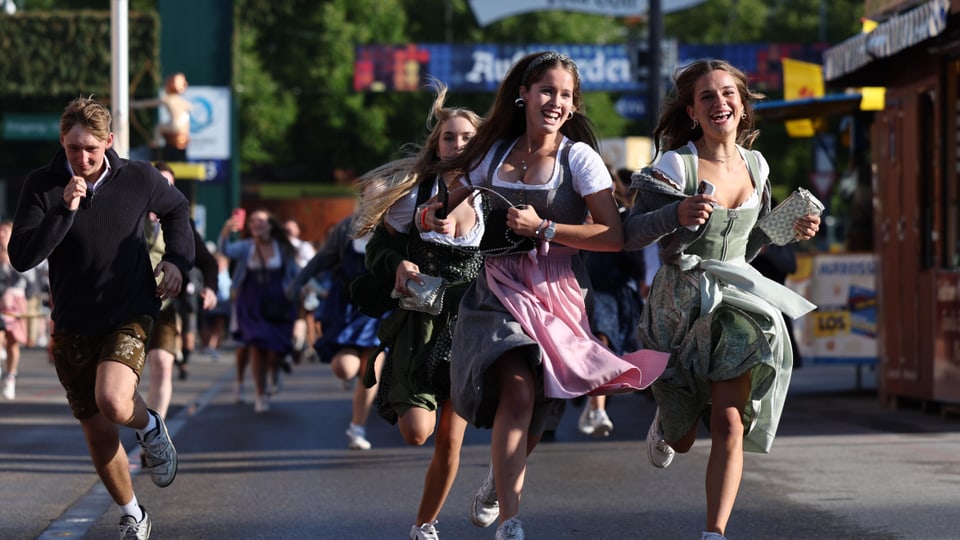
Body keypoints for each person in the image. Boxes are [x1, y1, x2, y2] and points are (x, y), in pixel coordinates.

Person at [433, 51, 669, 540]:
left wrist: (545, 226)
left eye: (565, 95)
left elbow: (611, 235)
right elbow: (446, 205)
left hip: (556, 288)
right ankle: (512, 522)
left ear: (574, 105)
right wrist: (431, 216)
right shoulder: (491, 152)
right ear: (523, 92)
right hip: (497, 287)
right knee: (516, 391)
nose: (555, 102)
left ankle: (497, 484)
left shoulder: (577, 158)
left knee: (538, 407)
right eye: (546, 91)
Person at [622, 59, 821, 540]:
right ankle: (667, 422)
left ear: (743, 105)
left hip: (736, 302)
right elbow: (629, 235)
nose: (720, 103)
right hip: (680, 303)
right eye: (707, 96)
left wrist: (790, 229)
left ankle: (715, 532)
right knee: (684, 438)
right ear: (691, 111)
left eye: (728, 94)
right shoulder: (675, 165)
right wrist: (676, 212)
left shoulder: (758, 164)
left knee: (730, 423)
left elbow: (751, 244)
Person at [8, 96, 194, 539]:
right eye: (74, 148)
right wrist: (63, 209)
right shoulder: (43, 185)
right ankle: (134, 514)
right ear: (62, 142)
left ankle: (150, 425)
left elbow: (177, 209)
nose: (83, 158)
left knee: (113, 400)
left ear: (109, 141)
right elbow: (21, 257)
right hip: (73, 319)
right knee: (96, 429)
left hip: (130, 308)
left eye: (91, 148)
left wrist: (178, 262)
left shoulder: (139, 177)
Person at [350, 80, 483, 540]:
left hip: (470, 323)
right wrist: (397, 264)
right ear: (436, 142)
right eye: (450, 136)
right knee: (416, 432)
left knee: (450, 439)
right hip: (419, 324)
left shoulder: (490, 193)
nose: (458, 144)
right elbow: (377, 249)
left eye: (468, 137)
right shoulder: (413, 193)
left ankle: (425, 525)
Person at [288, 208, 383, 451]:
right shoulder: (345, 228)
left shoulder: (397, 223)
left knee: (370, 372)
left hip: (381, 307)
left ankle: (357, 428)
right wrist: (298, 283)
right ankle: (348, 379)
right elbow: (321, 259)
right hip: (347, 308)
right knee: (344, 368)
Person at [144, 162, 218, 422]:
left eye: (169, 187)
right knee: (120, 381)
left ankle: (155, 435)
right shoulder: (127, 213)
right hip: (125, 306)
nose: (163, 192)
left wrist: (209, 288)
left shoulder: (180, 223)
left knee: (163, 366)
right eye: (158, 185)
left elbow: (208, 261)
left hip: (164, 308)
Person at [578, 167, 647, 438]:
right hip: (575, 292)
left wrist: (642, 278)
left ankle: (596, 407)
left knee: (603, 345)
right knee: (595, 348)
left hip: (611, 293)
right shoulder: (568, 215)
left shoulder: (622, 217)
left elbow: (636, 256)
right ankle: (593, 405)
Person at [219, 208, 300, 413]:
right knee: (256, 345)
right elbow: (225, 250)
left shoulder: (282, 247)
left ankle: (276, 368)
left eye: (261, 221)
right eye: (253, 221)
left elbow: (294, 272)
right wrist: (226, 230)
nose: (256, 224)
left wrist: (305, 289)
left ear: (271, 225)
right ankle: (260, 394)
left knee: (277, 347)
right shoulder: (246, 247)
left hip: (278, 301)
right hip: (250, 302)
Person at [131, 72, 193, 160]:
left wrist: (132, 104)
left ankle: (155, 144)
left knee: (158, 127)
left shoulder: (168, 99)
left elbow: (148, 103)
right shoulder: (182, 102)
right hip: (184, 134)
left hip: (175, 130)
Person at [0, 220, 29, 400]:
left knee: (12, 342)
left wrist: (7, 253)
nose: (2, 236)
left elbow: (25, 277)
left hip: (16, 302)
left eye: (5, 232)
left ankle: (10, 377)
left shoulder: (18, 253)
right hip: (0, 301)